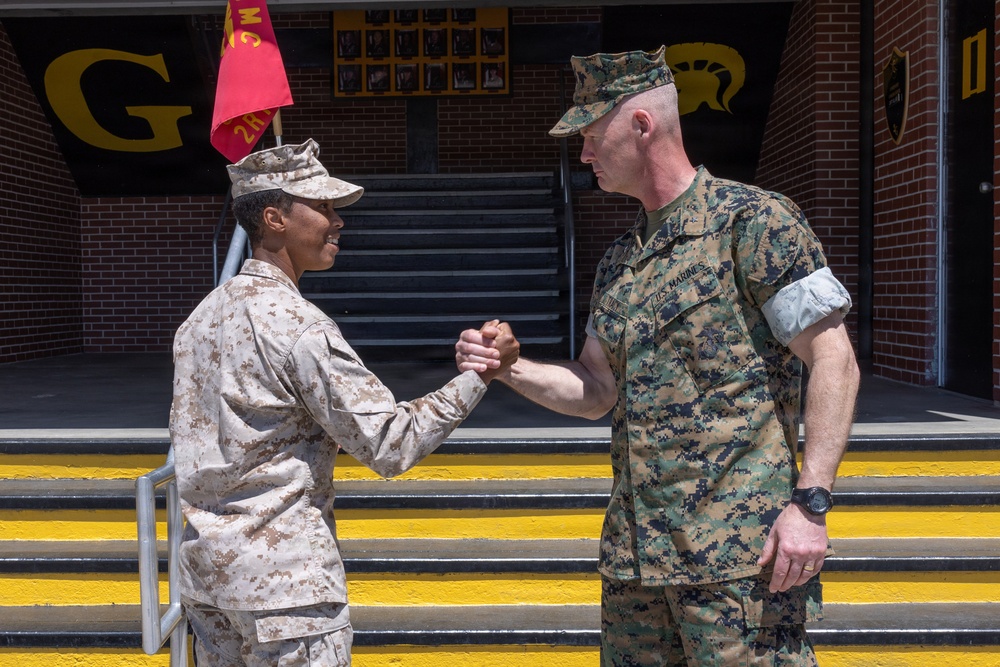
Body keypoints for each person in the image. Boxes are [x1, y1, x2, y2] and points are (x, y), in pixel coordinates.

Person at [456, 46, 859, 666]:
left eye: (591, 134)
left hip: (736, 560)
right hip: (637, 562)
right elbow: (596, 389)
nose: (584, 153)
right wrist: (511, 367)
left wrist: (811, 503)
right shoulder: (620, 261)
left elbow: (835, 361)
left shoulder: (754, 224)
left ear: (641, 125)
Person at [170, 138, 518, 666]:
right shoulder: (299, 327)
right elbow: (390, 444)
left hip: (210, 582)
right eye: (324, 207)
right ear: (274, 217)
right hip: (288, 593)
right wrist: (477, 375)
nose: (338, 221)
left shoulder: (199, 321)